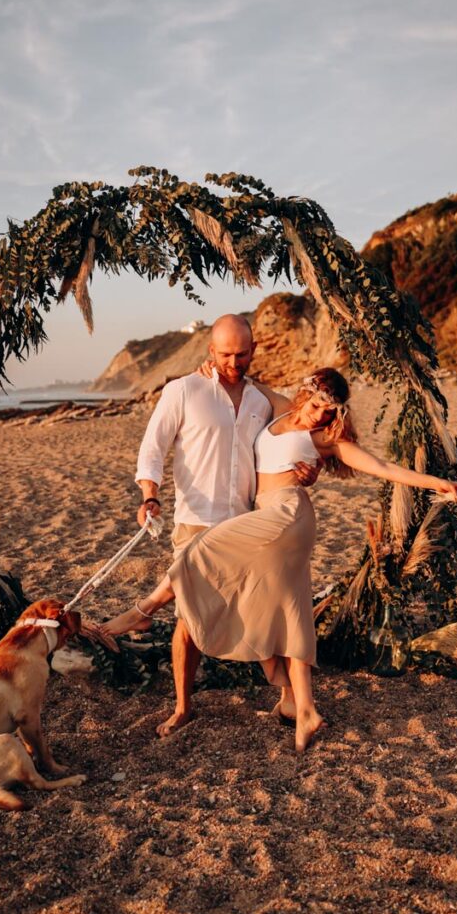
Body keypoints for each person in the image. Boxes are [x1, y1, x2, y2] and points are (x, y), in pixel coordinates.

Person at [101, 366, 457, 753]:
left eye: (329, 411)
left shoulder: (327, 438)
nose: (320, 414)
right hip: (266, 514)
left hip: (287, 515)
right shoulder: (280, 407)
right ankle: (303, 708)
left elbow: (383, 468)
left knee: (201, 550)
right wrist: (205, 369)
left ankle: (145, 609)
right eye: (317, 404)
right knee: (289, 610)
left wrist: (437, 483)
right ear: (305, 394)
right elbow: (241, 378)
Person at [109, 313, 320, 738]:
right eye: (225, 354)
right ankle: (183, 707)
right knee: (189, 620)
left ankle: (288, 697)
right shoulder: (183, 390)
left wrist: (308, 471)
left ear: (253, 350)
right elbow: (153, 448)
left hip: (248, 523)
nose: (233, 363)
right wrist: (149, 495)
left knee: (268, 610)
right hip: (196, 522)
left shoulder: (262, 401)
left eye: (241, 354)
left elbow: (294, 437)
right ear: (210, 351)